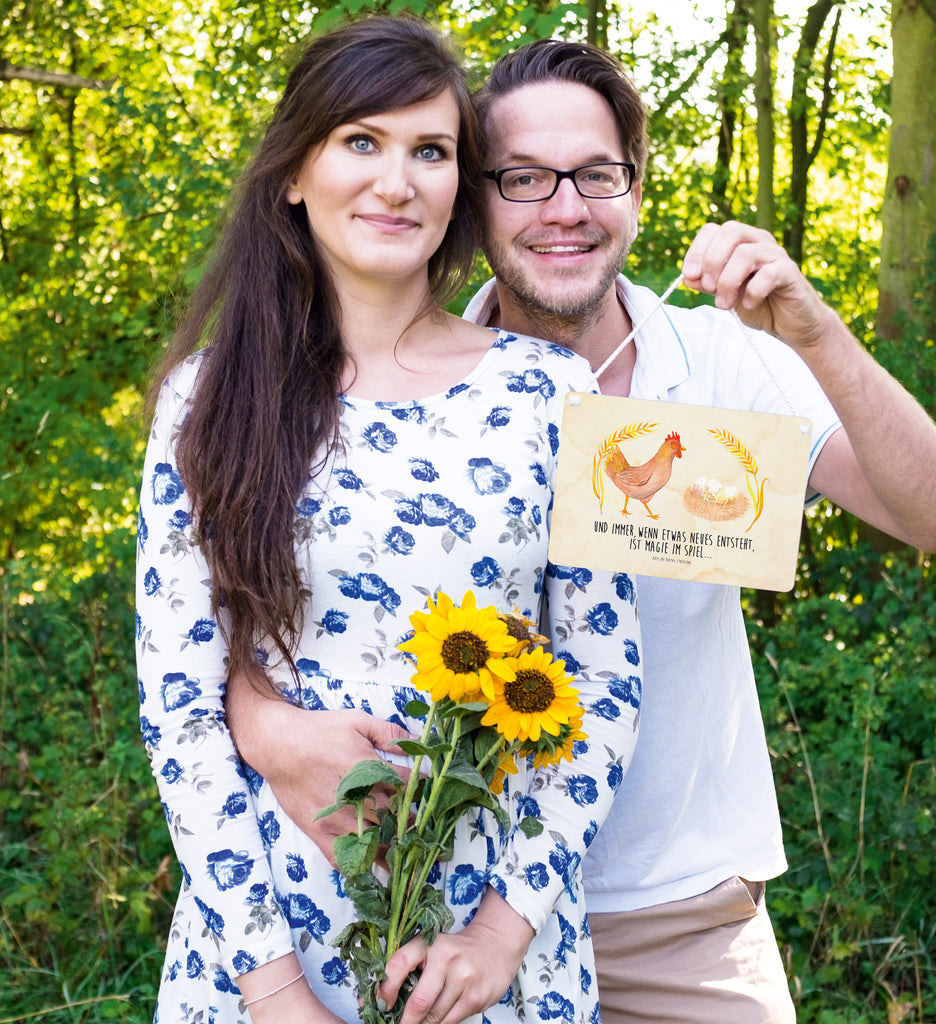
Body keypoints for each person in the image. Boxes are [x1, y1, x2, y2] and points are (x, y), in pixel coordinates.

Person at [227, 36, 936, 1024]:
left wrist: (809, 327)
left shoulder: (718, 355)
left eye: (595, 174)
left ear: (635, 186)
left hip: (677, 916)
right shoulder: (408, 382)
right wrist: (257, 715)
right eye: (525, 178)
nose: (566, 208)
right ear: (472, 195)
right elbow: (284, 618)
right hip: (456, 905)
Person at [136, 19, 641, 1024]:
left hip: (487, 946)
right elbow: (180, 709)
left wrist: (498, 935)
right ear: (293, 172)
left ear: (460, 186)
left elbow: (605, 680)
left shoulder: (553, 393)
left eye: (432, 152)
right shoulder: (209, 399)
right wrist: (276, 994)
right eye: (361, 142)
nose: (397, 181)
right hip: (266, 936)